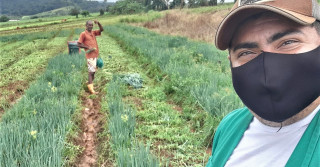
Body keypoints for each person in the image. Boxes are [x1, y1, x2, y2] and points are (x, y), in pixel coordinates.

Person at [206, 0, 320, 166]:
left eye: (288, 42)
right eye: (246, 52)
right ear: (230, 61)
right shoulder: (229, 125)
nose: (268, 68)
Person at [77, 20, 104, 94]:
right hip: (89, 56)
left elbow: (101, 30)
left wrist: (98, 23)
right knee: (91, 72)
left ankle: (89, 84)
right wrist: (88, 47)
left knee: (93, 72)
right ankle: (91, 89)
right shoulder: (83, 34)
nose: (91, 26)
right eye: (89, 25)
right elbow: (78, 44)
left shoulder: (93, 32)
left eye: (92, 25)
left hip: (95, 55)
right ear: (86, 26)